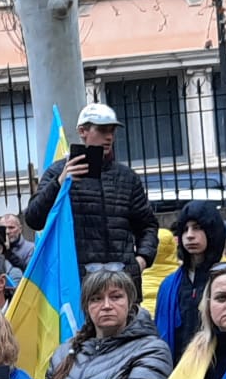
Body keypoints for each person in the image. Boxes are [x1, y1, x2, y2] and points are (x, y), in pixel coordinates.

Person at [22, 103, 160, 295]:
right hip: (75, 286)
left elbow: (148, 226)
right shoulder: (58, 171)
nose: (109, 136)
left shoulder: (127, 177)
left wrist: (141, 261)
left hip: (123, 283)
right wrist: (60, 182)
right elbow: (34, 219)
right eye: (102, 130)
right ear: (82, 131)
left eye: (112, 130)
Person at [40, 269, 173, 379]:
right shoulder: (64, 351)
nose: (107, 306)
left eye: (116, 297)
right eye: (96, 299)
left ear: (130, 302)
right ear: (86, 307)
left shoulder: (152, 349)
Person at [151, 203, 226, 361]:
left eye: (197, 228)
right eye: (185, 229)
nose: (190, 235)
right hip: (178, 368)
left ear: (212, 231)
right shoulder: (169, 285)